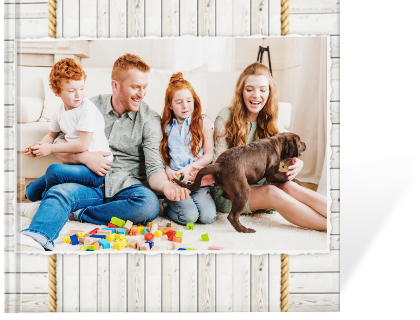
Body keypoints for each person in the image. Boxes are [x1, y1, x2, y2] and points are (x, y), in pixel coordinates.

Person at [18, 54, 190, 251]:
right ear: (115, 85)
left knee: (149, 204)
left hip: (126, 187)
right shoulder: (90, 106)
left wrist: (166, 186)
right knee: (61, 191)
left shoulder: (149, 120)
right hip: (89, 181)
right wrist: (84, 157)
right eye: (135, 87)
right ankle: (37, 236)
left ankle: (79, 213)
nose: (141, 94)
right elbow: (59, 140)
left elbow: (154, 168)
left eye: (144, 87)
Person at [193, 62, 327, 232]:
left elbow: (281, 162)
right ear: (241, 91)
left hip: (260, 184)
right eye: (249, 89)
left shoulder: (271, 120)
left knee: (290, 186)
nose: (256, 96)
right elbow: (219, 166)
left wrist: (295, 163)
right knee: (272, 192)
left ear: (269, 92)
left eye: (263, 90)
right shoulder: (225, 117)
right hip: (231, 192)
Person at [24, 58, 113, 203]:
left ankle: (50, 201)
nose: (79, 95)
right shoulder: (59, 112)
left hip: (95, 170)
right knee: (30, 192)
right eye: (71, 91)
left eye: (82, 88)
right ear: (56, 91)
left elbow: (83, 145)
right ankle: (52, 194)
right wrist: (39, 147)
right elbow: (51, 135)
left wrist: (51, 149)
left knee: (53, 171)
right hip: (75, 166)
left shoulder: (87, 109)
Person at [159, 73, 216, 225]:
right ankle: (167, 205)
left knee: (208, 217)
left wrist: (189, 168)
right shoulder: (166, 127)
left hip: (199, 183)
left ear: (194, 101)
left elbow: (209, 155)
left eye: (189, 101)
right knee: (190, 217)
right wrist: (168, 170)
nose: (185, 106)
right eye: (179, 102)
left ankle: (188, 202)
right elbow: (164, 157)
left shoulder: (204, 122)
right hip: (177, 182)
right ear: (170, 104)